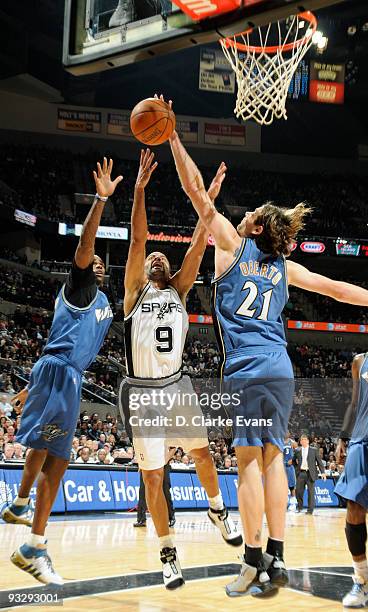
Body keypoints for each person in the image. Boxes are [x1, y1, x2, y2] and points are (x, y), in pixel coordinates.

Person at [168, 108, 368, 598]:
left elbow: (195, 190)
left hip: (247, 367)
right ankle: (277, 554)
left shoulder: (232, 245)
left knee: (248, 463)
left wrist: (173, 137)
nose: (248, 213)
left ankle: (253, 558)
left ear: (255, 228)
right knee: (275, 457)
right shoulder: (283, 267)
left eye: (254, 213)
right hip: (281, 369)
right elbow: (338, 289)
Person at [121, 148, 242, 590]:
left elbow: (197, 243)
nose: (155, 257)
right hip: (142, 393)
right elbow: (138, 240)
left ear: (171, 270)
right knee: (153, 479)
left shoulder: (180, 291)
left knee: (203, 453)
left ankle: (217, 509)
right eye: (151, 258)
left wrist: (207, 197)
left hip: (176, 387)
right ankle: (168, 554)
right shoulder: (134, 294)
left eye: (161, 257)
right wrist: (138, 190)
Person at [1, 157, 122, 585]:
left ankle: (19, 506)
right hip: (61, 374)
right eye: (96, 264)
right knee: (59, 460)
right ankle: (34, 545)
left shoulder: (106, 305)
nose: (101, 265)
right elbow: (85, 249)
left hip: (59, 377)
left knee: (49, 448)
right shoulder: (81, 286)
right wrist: (100, 203)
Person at [335, 353, 368, 608]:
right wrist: (343, 436)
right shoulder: (360, 361)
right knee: (354, 511)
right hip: (361, 440)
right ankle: (361, 580)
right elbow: (355, 403)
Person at [293, 435, 326, 514]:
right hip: (301, 473)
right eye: (302, 440)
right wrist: (296, 468)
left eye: (305, 439)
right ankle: (299, 507)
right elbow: (293, 460)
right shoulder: (297, 450)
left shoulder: (314, 450)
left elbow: (319, 462)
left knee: (311, 493)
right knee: (298, 492)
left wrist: (323, 472)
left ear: (308, 441)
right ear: (300, 442)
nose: (303, 441)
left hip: (310, 474)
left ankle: (310, 510)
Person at [283, 433, 297, 511]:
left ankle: (293, 503)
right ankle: (284, 503)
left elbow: (299, 452)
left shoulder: (292, 442)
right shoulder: (278, 441)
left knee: (292, 486)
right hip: (281, 467)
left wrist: (293, 460)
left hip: (289, 467)